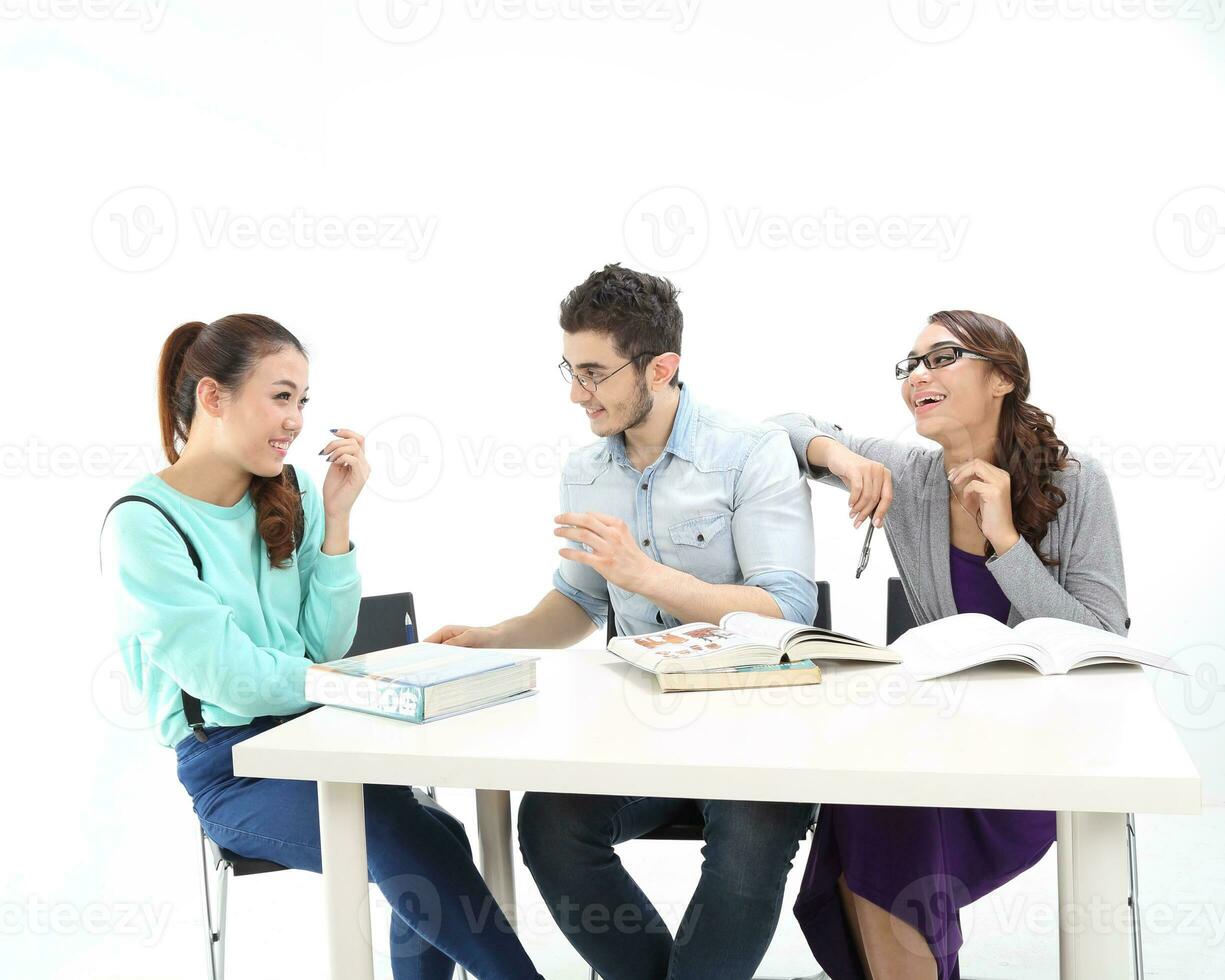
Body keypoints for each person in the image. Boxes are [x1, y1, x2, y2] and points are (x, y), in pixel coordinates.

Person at [102, 314, 543, 980]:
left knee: (435, 834)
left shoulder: (293, 491)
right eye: (280, 397)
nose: (296, 420)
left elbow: (323, 644)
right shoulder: (145, 523)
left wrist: (337, 520)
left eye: (302, 401)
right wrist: (345, 685)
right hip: (232, 767)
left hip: (322, 738)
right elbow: (228, 678)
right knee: (399, 830)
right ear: (213, 398)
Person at [427, 264, 818, 979]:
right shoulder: (585, 468)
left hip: (755, 726)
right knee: (550, 824)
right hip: (645, 726)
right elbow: (578, 603)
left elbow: (786, 610)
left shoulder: (748, 452)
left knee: (751, 840)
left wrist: (645, 574)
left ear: (660, 367)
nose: (577, 394)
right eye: (569, 371)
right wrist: (492, 635)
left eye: (595, 373)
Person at [773, 309, 1129, 980]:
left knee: (878, 795)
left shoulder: (1075, 482)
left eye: (940, 358)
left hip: (1038, 755)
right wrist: (841, 456)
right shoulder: (909, 471)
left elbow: (1103, 638)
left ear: (1001, 378)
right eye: (909, 365)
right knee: (868, 785)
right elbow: (773, 431)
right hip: (935, 738)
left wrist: (1006, 543)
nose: (917, 377)